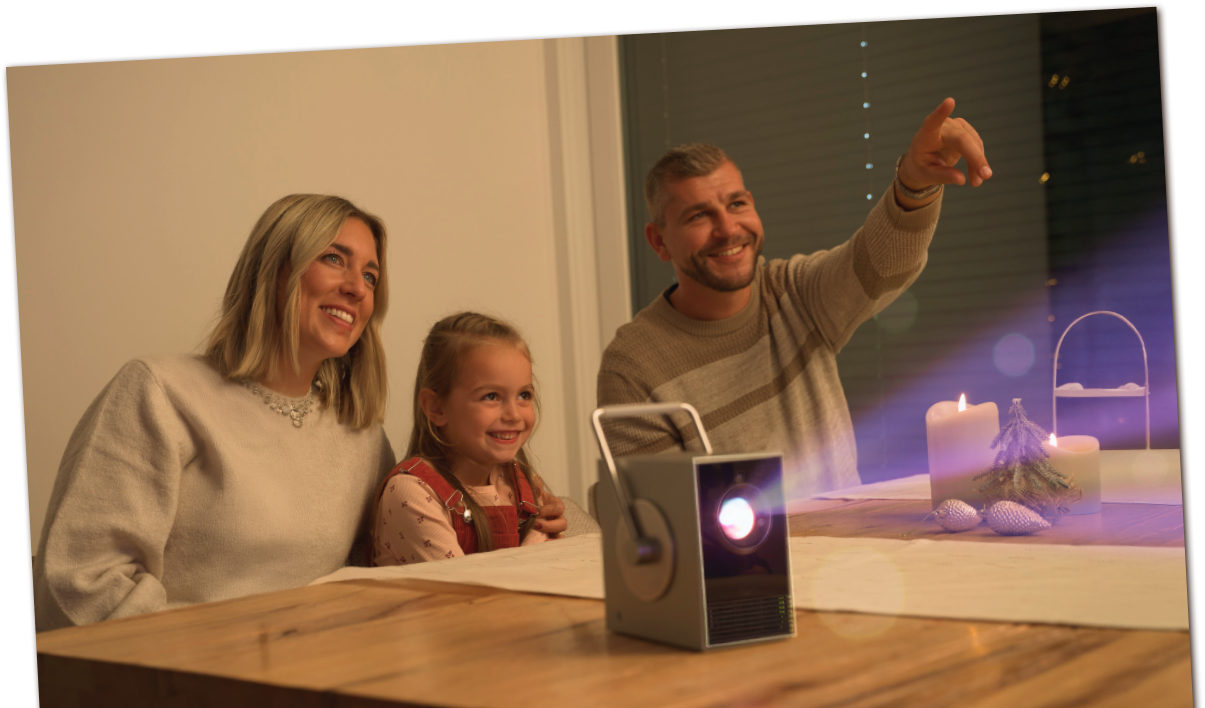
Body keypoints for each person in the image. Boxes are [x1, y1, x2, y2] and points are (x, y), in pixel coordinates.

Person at [34, 194, 397, 708]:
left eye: (371, 274)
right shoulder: (159, 389)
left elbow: (380, 580)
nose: (358, 286)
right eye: (335, 259)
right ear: (275, 268)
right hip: (148, 704)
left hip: (309, 701)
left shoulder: (363, 437)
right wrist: (236, 668)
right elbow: (81, 579)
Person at [596, 98, 992, 501]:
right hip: (743, 565)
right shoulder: (633, 368)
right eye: (698, 216)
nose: (727, 228)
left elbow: (884, 263)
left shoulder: (794, 293)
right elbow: (666, 525)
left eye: (737, 204)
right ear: (658, 241)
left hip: (849, 551)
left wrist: (917, 180)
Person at [372, 312, 567, 565]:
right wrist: (537, 543)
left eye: (524, 395)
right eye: (491, 396)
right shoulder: (411, 493)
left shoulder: (521, 483)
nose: (514, 414)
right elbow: (468, 594)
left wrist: (554, 539)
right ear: (436, 408)